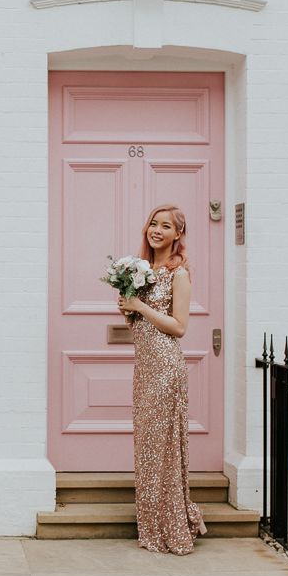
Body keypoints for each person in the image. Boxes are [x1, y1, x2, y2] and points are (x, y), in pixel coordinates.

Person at [118, 204, 206, 555]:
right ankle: (151, 523)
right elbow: (140, 323)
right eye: (153, 223)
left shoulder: (178, 273)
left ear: (177, 234)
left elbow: (179, 327)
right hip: (145, 367)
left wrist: (140, 308)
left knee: (164, 447)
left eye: (165, 225)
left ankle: (170, 524)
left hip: (167, 368)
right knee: (148, 446)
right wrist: (128, 308)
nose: (156, 229)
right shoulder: (143, 270)